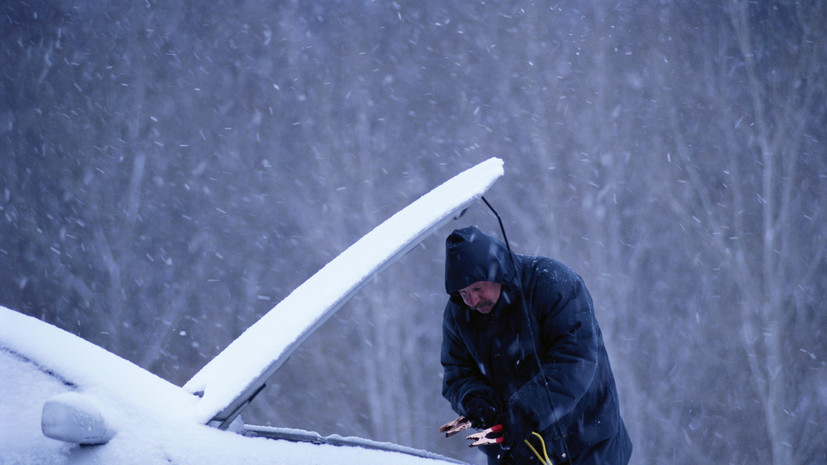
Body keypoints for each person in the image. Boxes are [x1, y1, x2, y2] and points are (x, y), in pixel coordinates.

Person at [440, 226, 632, 464]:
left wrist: (526, 411)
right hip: (516, 453)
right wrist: (475, 399)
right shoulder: (458, 314)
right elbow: (456, 373)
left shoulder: (552, 283)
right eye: (463, 293)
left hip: (588, 445)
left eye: (477, 288)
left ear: (497, 271)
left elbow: (575, 360)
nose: (472, 301)